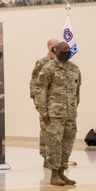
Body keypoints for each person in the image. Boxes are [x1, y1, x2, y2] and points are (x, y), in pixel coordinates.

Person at [34, 41, 81, 187]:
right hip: (53, 114)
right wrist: (43, 111)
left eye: (68, 48)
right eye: (63, 49)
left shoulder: (75, 68)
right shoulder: (48, 68)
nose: (67, 51)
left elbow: (77, 91)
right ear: (56, 51)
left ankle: (62, 171)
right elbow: (40, 91)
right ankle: (54, 174)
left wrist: (74, 108)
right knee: (54, 143)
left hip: (70, 114)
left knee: (68, 143)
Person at [30, 38, 59, 168]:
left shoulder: (61, 63)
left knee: (59, 133)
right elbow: (34, 83)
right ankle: (46, 158)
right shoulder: (42, 63)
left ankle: (58, 159)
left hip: (60, 105)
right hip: (46, 104)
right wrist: (38, 102)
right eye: (55, 45)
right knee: (46, 131)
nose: (57, 48)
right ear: (49, 47)